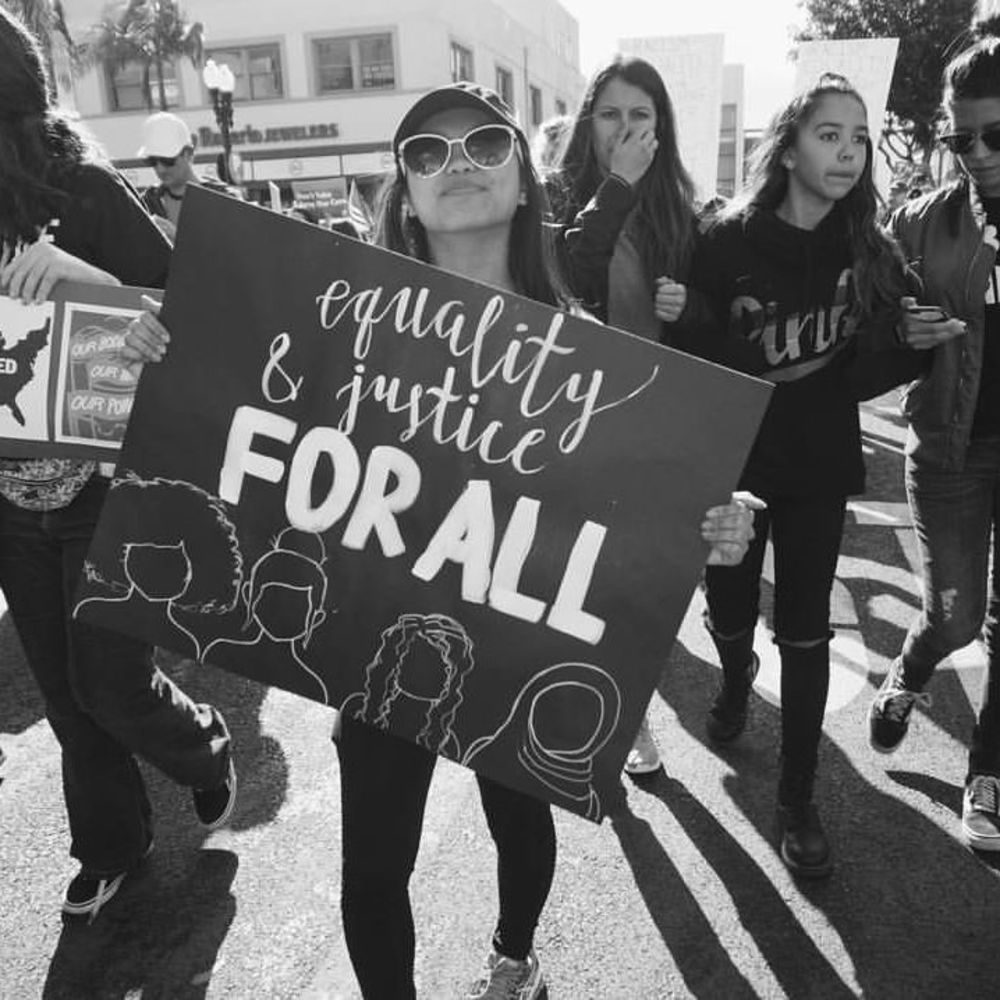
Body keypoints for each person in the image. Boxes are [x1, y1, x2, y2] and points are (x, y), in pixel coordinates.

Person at [123, 80, 758, 999]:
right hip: (375, 634)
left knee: (519, 818)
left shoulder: (582, 348)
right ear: (405, 191)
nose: (456, 164)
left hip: (518, 637)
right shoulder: (344, 322)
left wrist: (713, 528)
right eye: (427, 152)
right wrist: (149, 356)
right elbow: (240, 417)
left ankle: (514, 954)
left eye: (483, 145)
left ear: (525, 177)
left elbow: (634, 512)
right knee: (375, 866)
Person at [676, 73, 949, 878]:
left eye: (858, 138)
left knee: (806, 630)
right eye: (831, 134)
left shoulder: (868, 246)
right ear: (788, 145)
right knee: (727, 609)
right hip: (732, 467)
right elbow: (691, 349)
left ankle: (798, 798)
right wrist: (680, 311)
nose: (849, 152)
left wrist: (916, 340)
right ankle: (732, 681)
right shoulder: (724, 238)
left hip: (820, 469)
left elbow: (866, 371)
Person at [0, 8, 237, 922]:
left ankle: (205, 750)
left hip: (104, 483)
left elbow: (193, 313)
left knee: (108, 682)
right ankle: (111, 845)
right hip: (9, 500)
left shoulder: (82, 186)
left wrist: (80, 276)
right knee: (63, 697)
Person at [866, 18, 1000, 853]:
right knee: (953, 616)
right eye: (962, 139)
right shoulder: (919, 224)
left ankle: (987, 770)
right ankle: (913, 670)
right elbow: (861, 327)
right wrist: (898, 334)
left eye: (995, 135)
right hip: (950, 450)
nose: (977, 152)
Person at [549, 54, 699, 775]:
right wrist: (617, 188)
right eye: (610, 113)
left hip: (659, 419)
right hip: (580, 419)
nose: (626, 128)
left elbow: (710, 319)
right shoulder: (559, 196)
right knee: (593, 578)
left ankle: (630, 691)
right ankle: (626, 718)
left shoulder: (678, 208)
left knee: (641, 581)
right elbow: (572, 273)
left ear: (661, 126)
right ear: (588, 123)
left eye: (641, 114)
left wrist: (688, 307)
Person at [137, 111, 232, 243]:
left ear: (188, 153)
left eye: (167, 160)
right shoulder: (145, 203)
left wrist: (179, 240)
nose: (160, 169)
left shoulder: (224, 199)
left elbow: (236, 256)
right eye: (152, 161)